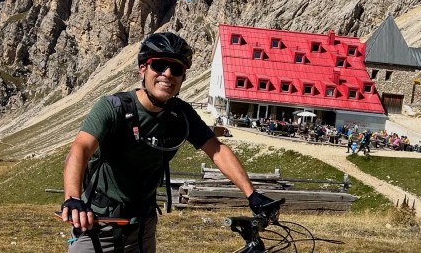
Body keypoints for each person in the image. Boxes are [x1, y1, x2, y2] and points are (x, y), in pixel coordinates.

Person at [61, 33, 280, 253]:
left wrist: (252, 195)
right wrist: (72, 198)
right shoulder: (113, 108)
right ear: (143, 69)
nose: (167, 74)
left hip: (143, 226)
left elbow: (217, 150)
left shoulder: (181, 114)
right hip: (98, 225)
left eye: (176, 70)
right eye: (159, 65)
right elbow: (80, 149)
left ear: (183, 78)